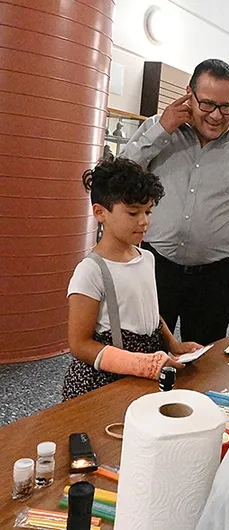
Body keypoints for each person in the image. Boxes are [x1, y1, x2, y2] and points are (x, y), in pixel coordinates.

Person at [121, 59, 229, 344]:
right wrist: (162, 130)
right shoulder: (158, 129)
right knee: (145, 353)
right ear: (188, 95)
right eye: (207, 104)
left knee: (205, 364)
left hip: (215, 279)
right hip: (156, 269)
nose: (217, 116)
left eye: (226, 106)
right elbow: (119, 178)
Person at [63, 159, 200, 401]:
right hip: (103, 381)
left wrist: (173, 344)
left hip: (146, 372)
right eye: (133, 212)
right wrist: (141, 364)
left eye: (148, 211)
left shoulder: (146, 257)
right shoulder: (91, 271)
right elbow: (80, 344)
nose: (144, 221)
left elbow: (150, 313)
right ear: (100, 212)